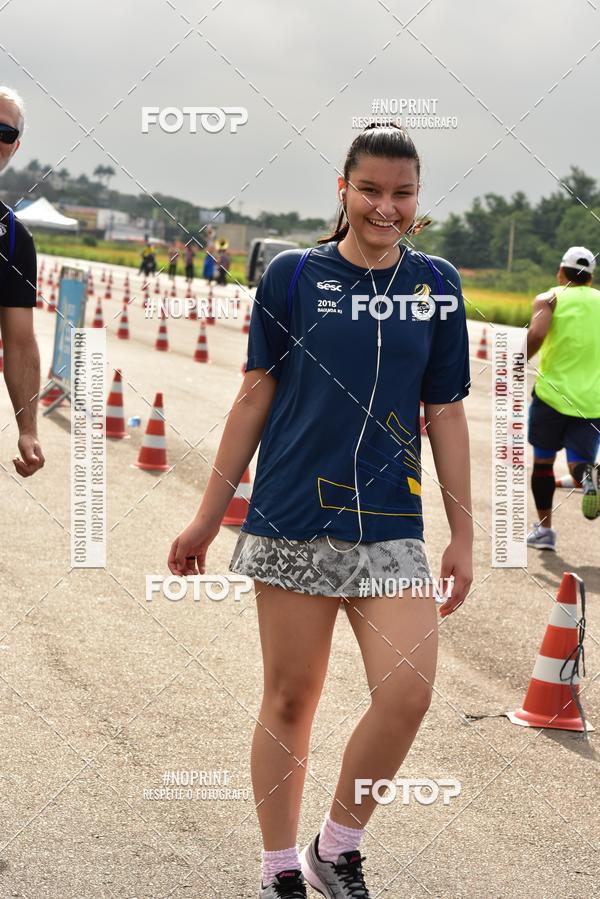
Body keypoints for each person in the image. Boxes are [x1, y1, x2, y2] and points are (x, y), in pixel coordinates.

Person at [168, 124, 473, 899]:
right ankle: (278, 869)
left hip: (392, 527)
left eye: (402, 192)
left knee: (407, 692)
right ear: (343, 189)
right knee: (292, 696)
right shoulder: (294, 277)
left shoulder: (437, 283)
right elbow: (254, 394)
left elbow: (446, 410)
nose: (386, 205)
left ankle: (335, 848)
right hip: (293, 513)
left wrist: (465, 531)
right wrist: (209, 514)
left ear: (417, 196)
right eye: (370, 189)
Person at [526, 246, 600, 550]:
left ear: (561, 272)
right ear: (591, 277)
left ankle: (545, 533)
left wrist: (517, 361)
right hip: (593, 401)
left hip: (552, 396)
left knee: (543, 462)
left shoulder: (550, 298)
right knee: (578, 465)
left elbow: (538, 333)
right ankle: (590, 479)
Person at [0, 85, 45, 478]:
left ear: (15, 147)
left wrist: (28, 428)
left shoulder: (14, 240)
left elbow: (19, 343)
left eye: (5, 133)